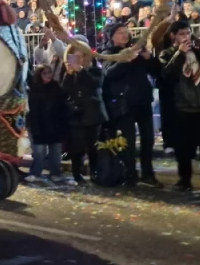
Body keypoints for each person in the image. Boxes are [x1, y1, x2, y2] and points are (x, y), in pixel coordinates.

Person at [159, 21, 200, 192]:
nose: (186, 37)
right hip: (181, 106)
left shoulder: (199, 53)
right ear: (173, 36)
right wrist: (179, 54)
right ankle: (184, 179)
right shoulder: (168, 53)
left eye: (188, 33)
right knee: (183, 147)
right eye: (181, 34)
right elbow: (167, 75)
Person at [101, 24, 163, 187]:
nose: (124, 35)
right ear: (112, 36)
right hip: (124, 104)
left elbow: (155, 70)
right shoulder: (108, 53)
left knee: (148, 138)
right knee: (127, 140)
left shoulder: (136, 50)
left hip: (143, 100)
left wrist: (149, 58)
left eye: (126, 32)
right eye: (120, 33)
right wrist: (125, 59)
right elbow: (109, 73)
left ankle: (148, 173)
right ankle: (130, 173)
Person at [61, 39, 107, 185]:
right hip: (76, 115)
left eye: (81, 55)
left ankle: (94, 172)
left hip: (93, 114)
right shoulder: (69, 73)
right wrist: (68, 74)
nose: (78, 59)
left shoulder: (95, 70)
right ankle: (76, 174)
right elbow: (64, 91)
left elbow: (94, 84)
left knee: (93, 146)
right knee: (76, 147)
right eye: (75, 55)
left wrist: (80, 70)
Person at [26, 65, 69, 183]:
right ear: (39, 75)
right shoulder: (34, 89)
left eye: (49, 72)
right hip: (39, 124)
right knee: (39, 152)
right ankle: (35, 172)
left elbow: (62, 104)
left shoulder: (55, 87)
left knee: (55, 151)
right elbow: (33, 109)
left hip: (54, 124)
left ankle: (55, 173)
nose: (48, 75)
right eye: (44, 73)